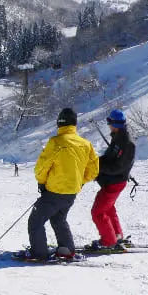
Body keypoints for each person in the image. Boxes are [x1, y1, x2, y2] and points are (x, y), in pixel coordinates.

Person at [26, 108, 99, 261]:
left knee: (36, 220)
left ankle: (39, 253)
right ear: (74, 124)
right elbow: (93, 170)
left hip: (54, 191)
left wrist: (42, 182)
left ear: (59, 123)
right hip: (71, 192)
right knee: (58, 219)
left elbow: (42, 166)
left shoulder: (56, 142)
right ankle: (66, 250)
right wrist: (79, 181)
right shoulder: (86, 144)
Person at [88, 109, 136, 251]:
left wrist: (99, 168)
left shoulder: (126, 143)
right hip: (113, 181)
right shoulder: (118, 139)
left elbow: (117, 167)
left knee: (98, 212)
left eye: (109, 122)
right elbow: (110, 158)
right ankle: (116, 235)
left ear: (114, 124)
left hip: (115, 182)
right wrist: (96, 162)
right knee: (108, 208)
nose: (108, 125)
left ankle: (108, 241)